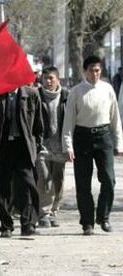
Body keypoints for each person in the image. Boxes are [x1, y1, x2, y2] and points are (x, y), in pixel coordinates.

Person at [62, 55, 123, 235]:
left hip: (103, 136)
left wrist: (119, 142)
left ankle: (103, 217)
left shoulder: (107, 89)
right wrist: (68, 146)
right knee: (83, 182)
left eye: (98, 70)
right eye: (91, 70)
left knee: (109, 179)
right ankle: (87, 222)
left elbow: (115, 118)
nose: (95, 74)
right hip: (82, 138)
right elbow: (68, 122)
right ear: (85, 71)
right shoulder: (76, 92)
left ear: (101, 71)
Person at [0, 85, 44, 237]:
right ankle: (6, 225)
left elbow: (39, 125)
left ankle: (28, 224)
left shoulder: (31, 94)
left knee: (28, 185)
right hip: (1, 147)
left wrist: (35, 145)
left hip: (23, 146)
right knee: (1, 188)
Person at [36, 66, 68, 228]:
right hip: (42, 147)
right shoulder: (36, 96)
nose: (48, 82)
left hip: (60, 147)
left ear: (58, 80)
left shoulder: (65, 96)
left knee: (58, 181)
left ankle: (55, 211)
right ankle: (44, 212)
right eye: (45, 78)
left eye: (51, 78)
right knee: (44, 180)